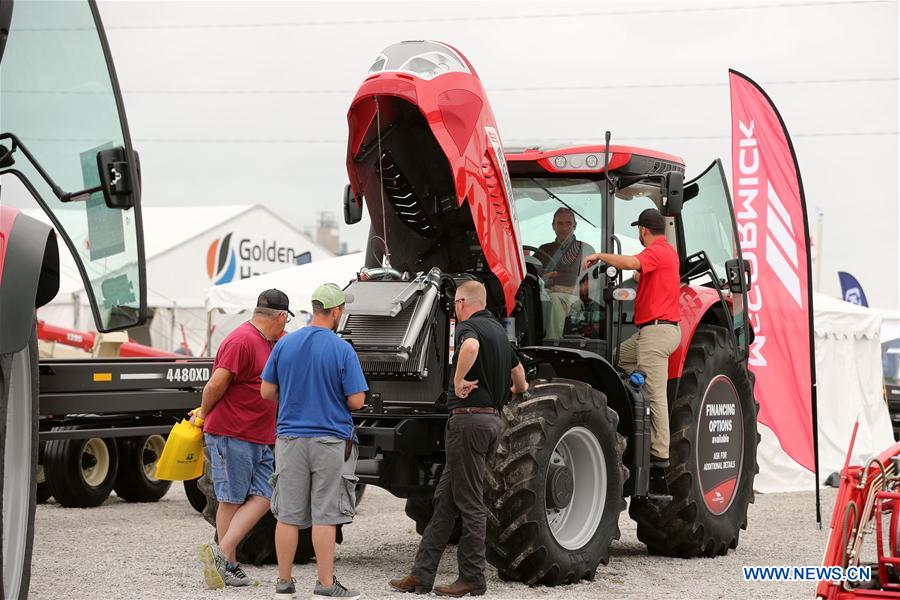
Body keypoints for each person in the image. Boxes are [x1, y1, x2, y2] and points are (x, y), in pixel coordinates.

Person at [389, 280, 528, 597]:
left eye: (455, 304)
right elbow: (520, 378)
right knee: (445, 502)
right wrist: (514, 391)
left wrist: (458, 379)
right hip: (491, 421)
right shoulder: (500, 333)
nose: (454, 309)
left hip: (468, 423)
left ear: (463, 302)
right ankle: (421, 576)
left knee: (470, 504)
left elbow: (470, 348)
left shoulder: (469, 329)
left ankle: (473, 578)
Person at [260, 284, 367, 600]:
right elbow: (357, 401)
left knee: (287, 515)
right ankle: (324, 584)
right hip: (329, 439)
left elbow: (266, 391)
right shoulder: (341, 349)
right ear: (335, 312)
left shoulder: (285, 343)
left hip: (289, 439)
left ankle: (284, 584)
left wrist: (294, 396)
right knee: (325, 514)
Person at [195, 289, 292, 589]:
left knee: (265, 495)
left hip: (259, 436)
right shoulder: (242, 340)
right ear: (280, 316)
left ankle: (221, 554)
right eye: (286, 319)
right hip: (232, 433)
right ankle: (229, 564)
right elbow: (216, 384)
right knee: (231, 499)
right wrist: (203, 414)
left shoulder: (269, 340)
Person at [582, 208, 681, 468]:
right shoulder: (667, 252)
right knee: (620, 359)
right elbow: (641, 272)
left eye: (639, 229)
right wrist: (639, 276)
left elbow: (630, 263)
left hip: (655, 333)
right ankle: (633, 404)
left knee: (655, 393)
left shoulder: (657, 251)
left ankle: (659, 453)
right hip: (653, 332)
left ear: (643, 230)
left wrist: (600, 256)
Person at [536, 207, 595, 338]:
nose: (564, 228)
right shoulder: (543, 250)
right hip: (544, 294)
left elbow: (592, 286)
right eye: (560, 223)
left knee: (555, 298)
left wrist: (563, 289)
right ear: (553, 226)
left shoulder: (585, 250)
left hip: (574, 298)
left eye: (568, 223)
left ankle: (552, 342)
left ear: (575, 226)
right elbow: (534, 275)